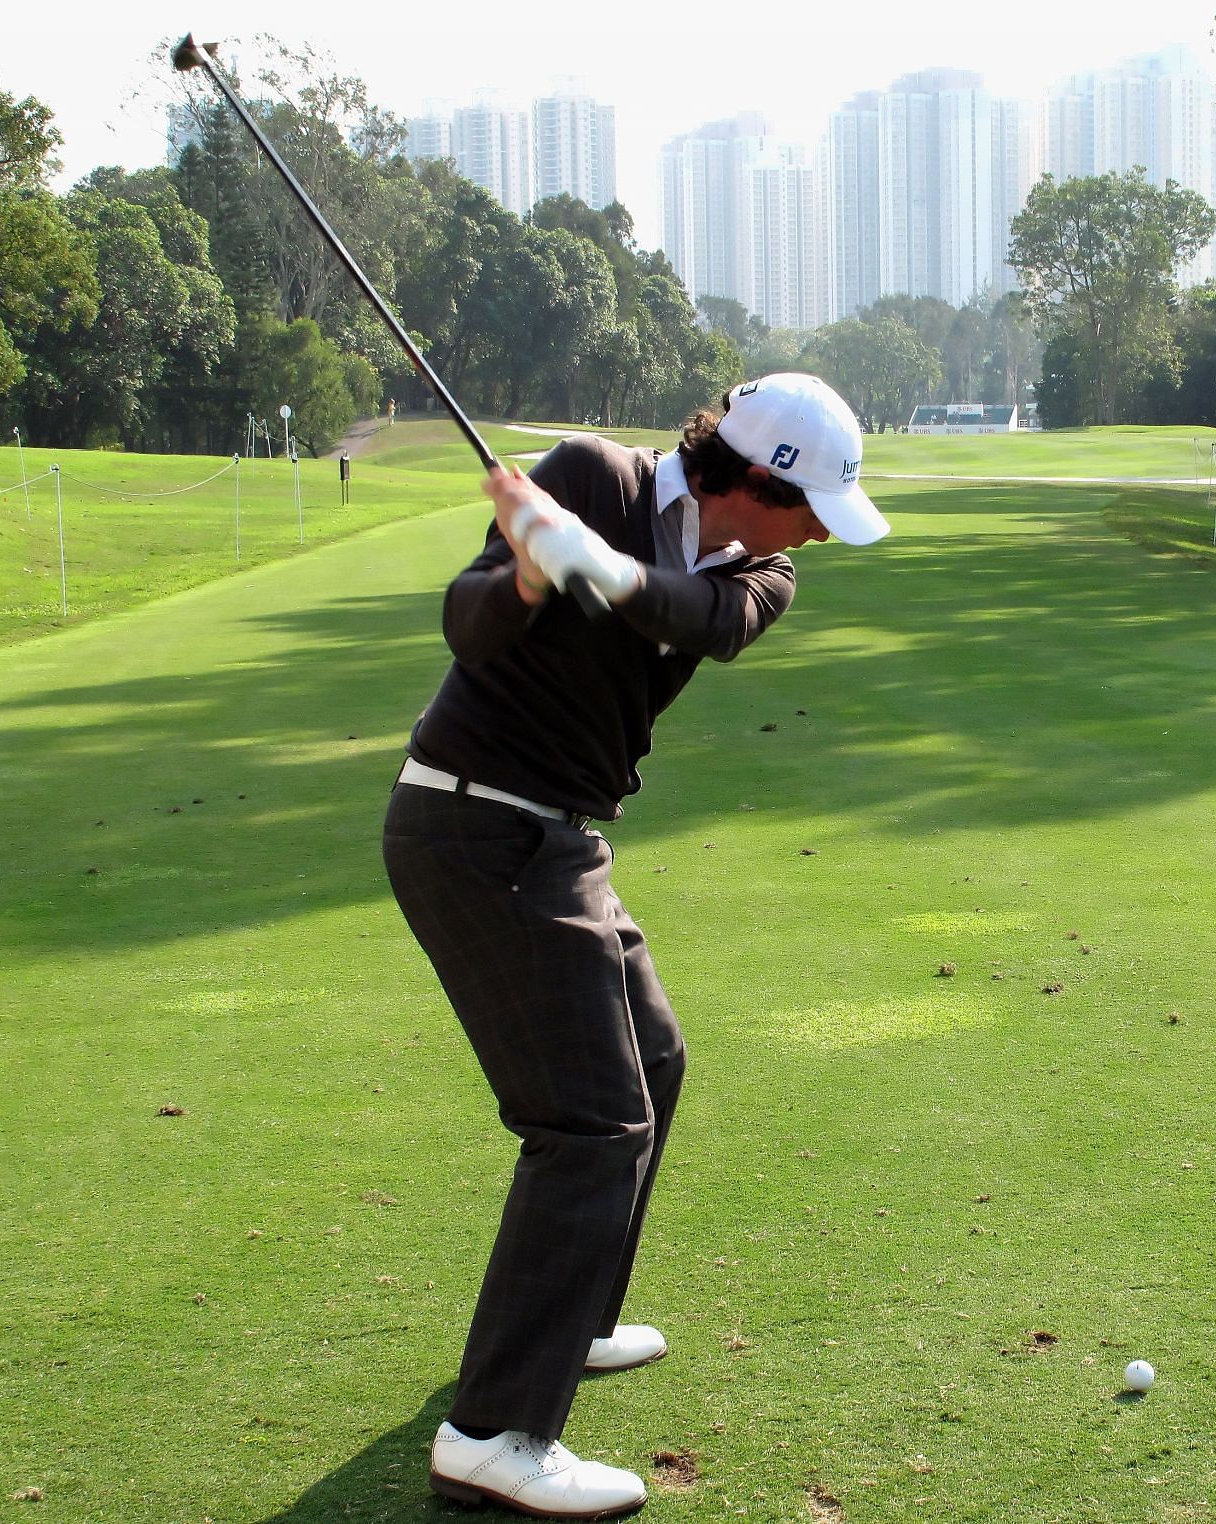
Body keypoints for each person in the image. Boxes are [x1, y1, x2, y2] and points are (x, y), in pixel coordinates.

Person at [382, 374, 890, 1519]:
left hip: (559, 838)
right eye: (809, 506)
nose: (817, 533)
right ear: (756, 480)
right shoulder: (586, 478)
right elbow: (467, 628)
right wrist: (524, 568)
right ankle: (493, 1434)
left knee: (654, 1063)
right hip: (472, 822)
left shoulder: (761, 572)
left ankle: (576, 1325)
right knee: (591, 1123)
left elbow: (696, 618)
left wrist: (596, 571)